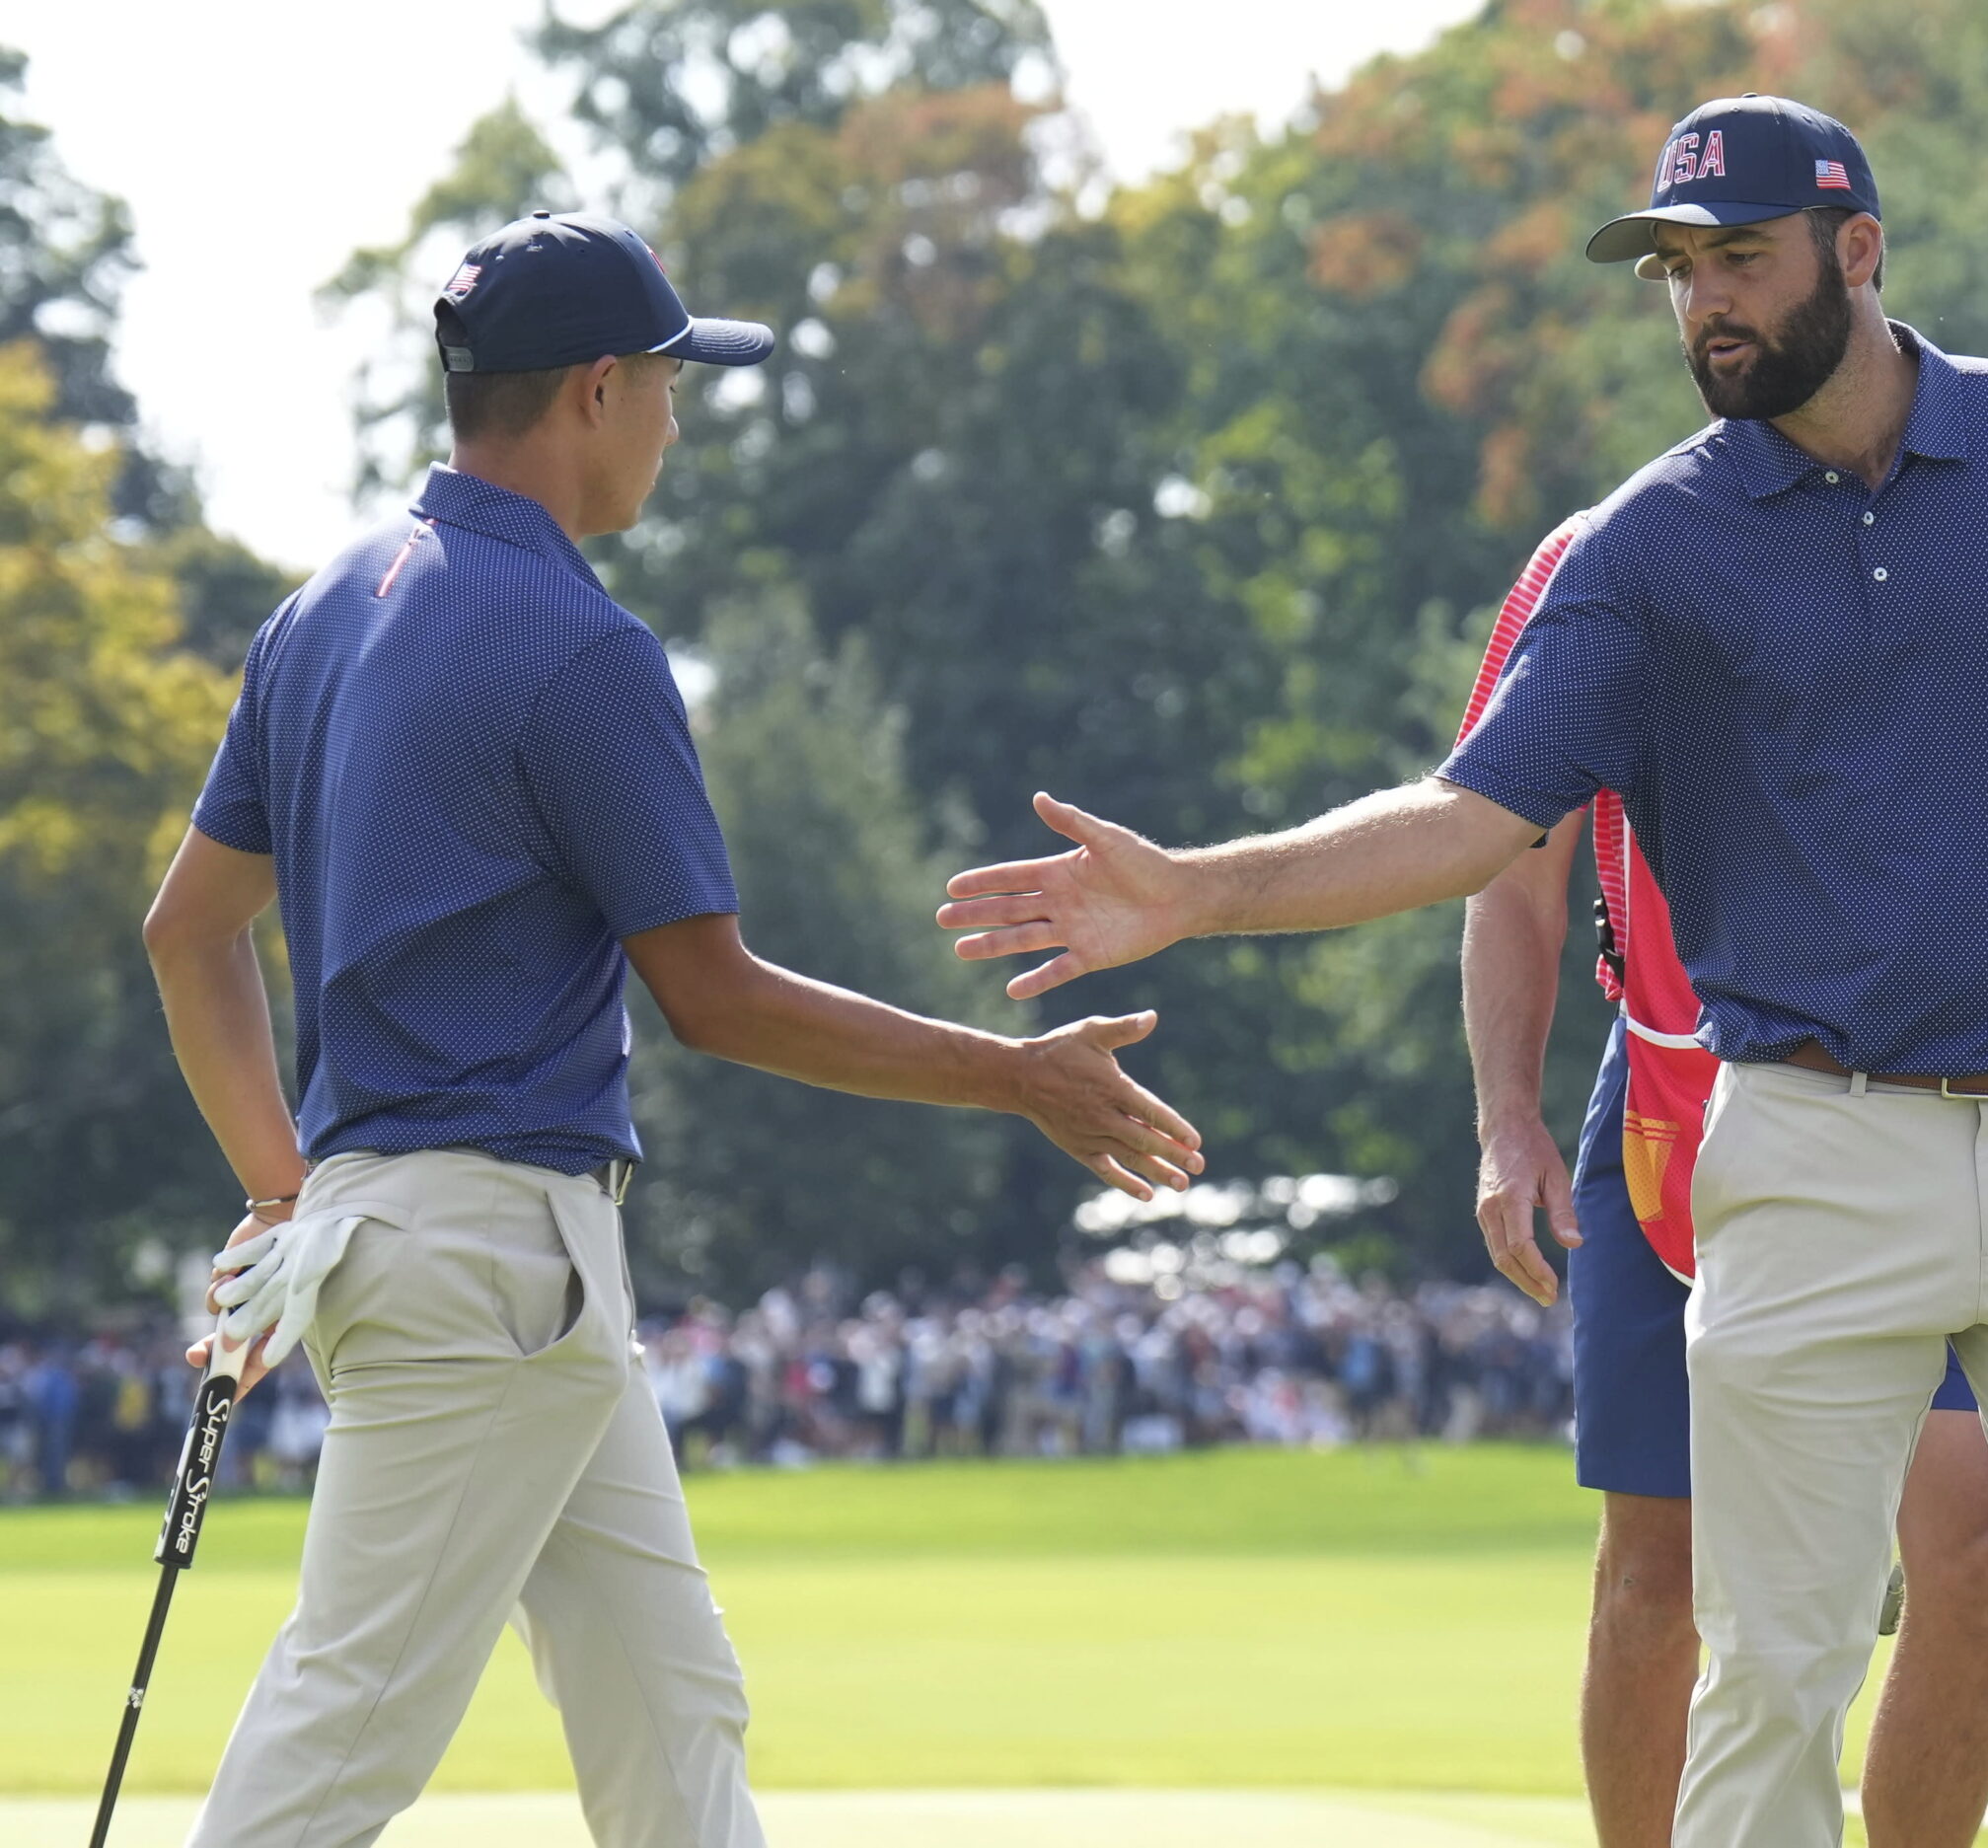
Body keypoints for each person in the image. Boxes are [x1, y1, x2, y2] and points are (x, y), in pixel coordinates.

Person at [936, 96, 1988, 1847]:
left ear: (1863, 254)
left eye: (1737, 259)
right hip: (1816, 1154)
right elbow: (1473, 821)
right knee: (1778, 1670)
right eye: (1676, 271)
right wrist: (1203, 891)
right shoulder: (1648, 548)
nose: (1703, 306)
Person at [142, 209, 1201, 1848]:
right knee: (343, 1725)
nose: (676, 422)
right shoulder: (580, 645)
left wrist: (291, 1190)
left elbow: (190, 932)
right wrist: (1014, 1076)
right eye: (667, 385)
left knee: (667, 1698)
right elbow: (715, 998)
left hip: (471, 1257)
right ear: (592, 393)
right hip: (494, 1256)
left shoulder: (321, 611)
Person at [1459, 527, 1988, 1847]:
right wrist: (1505, 1116)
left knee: (1973, 1545)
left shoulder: (1959, 537)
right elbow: (1509, 866)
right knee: (1657, 1583)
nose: (1714, 308)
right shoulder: (1591, 563)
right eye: (1692, 298)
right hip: (1670, 1110)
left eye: (1740, 293)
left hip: (1921, 1110)